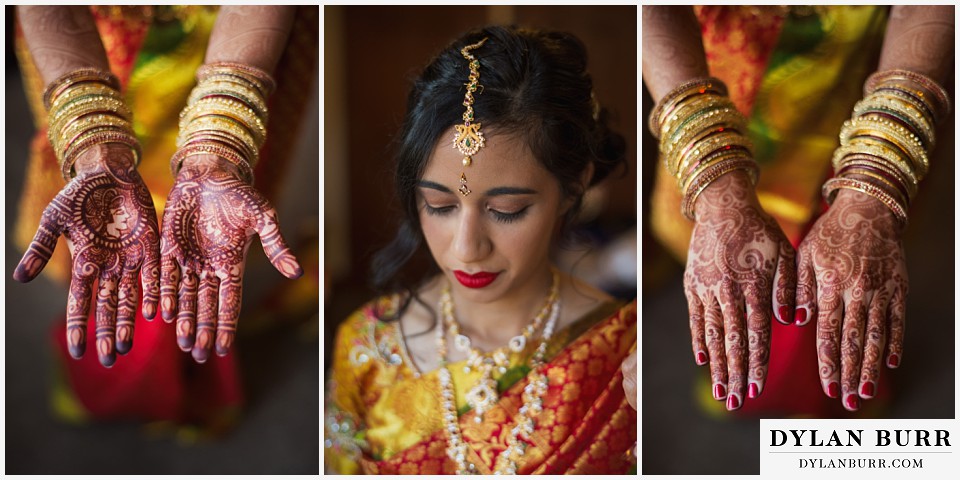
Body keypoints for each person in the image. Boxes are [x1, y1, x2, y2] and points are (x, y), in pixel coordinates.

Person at [324, 25, 637, 474]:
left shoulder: (624, 352)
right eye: (439, 204)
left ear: (575, 186)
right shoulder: (366, 347)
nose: (466, 248)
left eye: (507, 210)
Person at [12, 5, 316, 427]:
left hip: (238, 40)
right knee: (98, 231)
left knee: (213, 226)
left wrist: (220, 141)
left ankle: (182, 377)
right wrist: (91, 138)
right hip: (85, 45)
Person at [642, 5, 953, 417]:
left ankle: (814, 403)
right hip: (702, 74)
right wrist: (716, 187)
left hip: (866, 94)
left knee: (850, 283)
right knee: (728, 277)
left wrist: (873, 188)